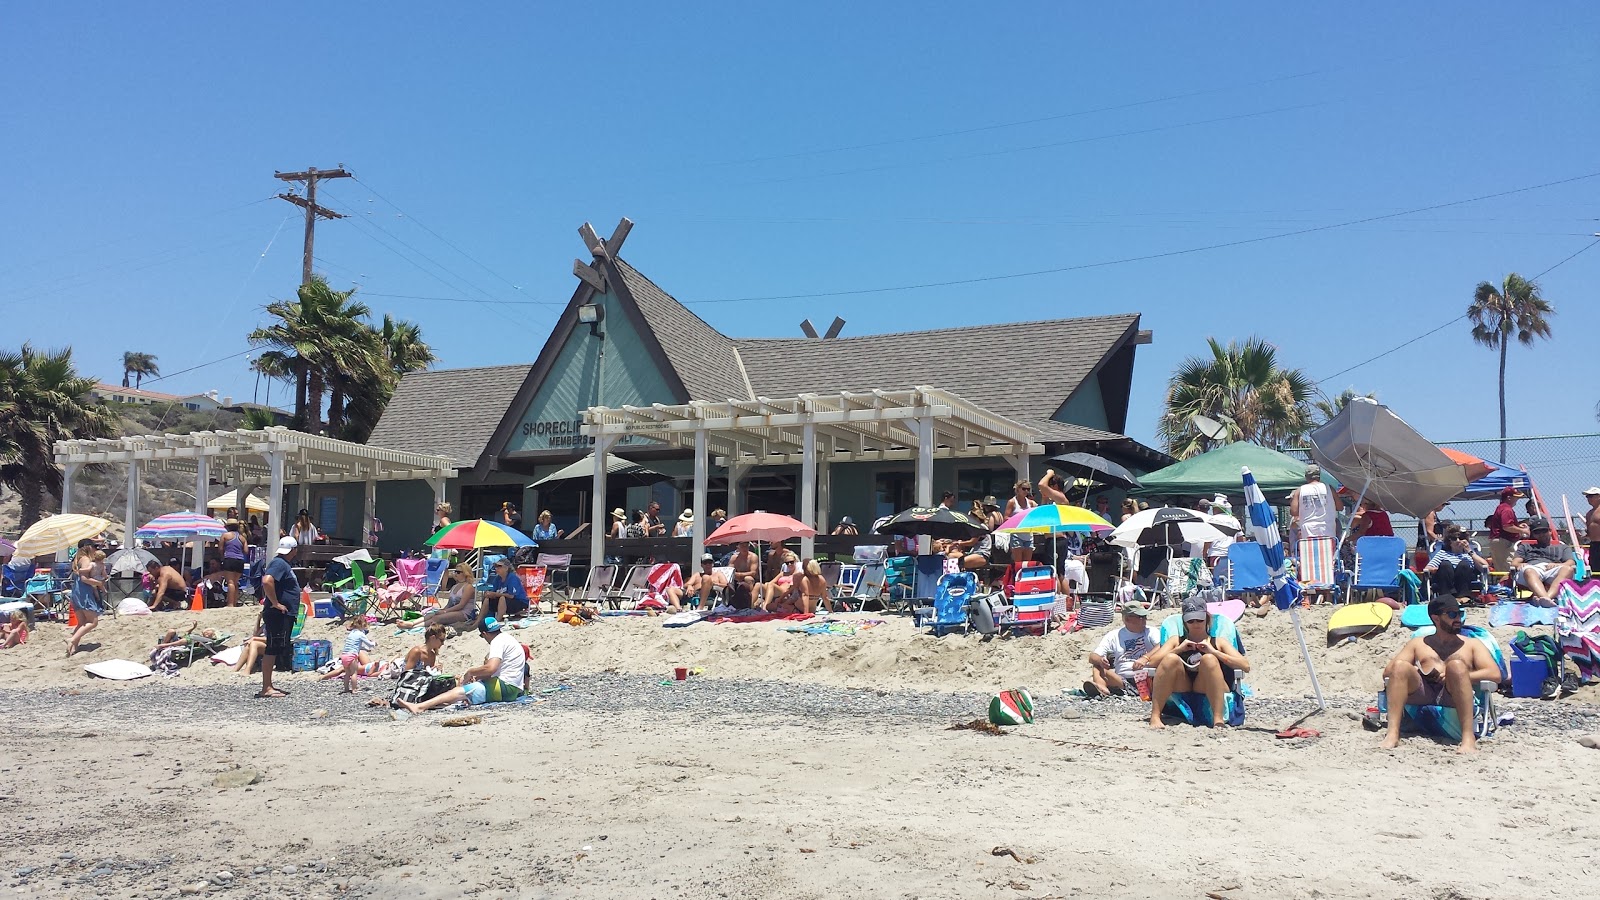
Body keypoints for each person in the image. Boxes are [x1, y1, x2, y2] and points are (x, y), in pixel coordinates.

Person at [1380, 595, 1501, 754]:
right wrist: (1417, 671)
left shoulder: (1472, 644)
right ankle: (1392, 734)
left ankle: (1468, 738)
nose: (1458, 618)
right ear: (1436, 618)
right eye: (1452, 615)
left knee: (1456, 667)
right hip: (1423, 692)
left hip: (1453, 694)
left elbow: (1495, 674)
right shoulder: (1419, 643)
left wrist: (1463, 676)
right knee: (1400, 666)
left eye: (1459, 613)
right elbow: (1388, 671)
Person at [1145, 597, 1249, 729]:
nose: (1196, 624)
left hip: (1211, 684)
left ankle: (1218, 719)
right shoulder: (1177, 640)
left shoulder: (1218, 642)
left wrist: (1214, 652)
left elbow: (1245, 665)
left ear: (1207, 618)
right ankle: (1155, 716)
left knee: (1209, 659)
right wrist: (1178, 650)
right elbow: (1152, 663)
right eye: (1191, 620)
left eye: (1199, 619)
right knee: (1171, 658)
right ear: (1184, 621)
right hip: (1185, 684)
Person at [396, 616, 526, 714]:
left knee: (460, 691)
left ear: (485, 633)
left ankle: (419, 707)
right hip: (514, 687)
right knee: (465, 691)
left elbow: (491, 668)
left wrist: (471, 672)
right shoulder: (509, 639)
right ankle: (430, 703)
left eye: (482, 636)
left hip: (506, 688)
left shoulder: (497, 642)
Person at [1084, 600, 1158, 698]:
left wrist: (1145, 658)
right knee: (1097, 664)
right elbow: (1092, 656)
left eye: (1145, 617)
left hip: (1145, 676)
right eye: (1141, 617)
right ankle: (1101, 689)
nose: (1144, 620)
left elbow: (1162, 646)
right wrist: (1101, 660)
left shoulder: (1151, 631)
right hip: (1122, 679)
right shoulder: (1114, 635)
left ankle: (1105, 690)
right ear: (1127, 619)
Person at [257, 536, 301, 698]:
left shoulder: (282, 563)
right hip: (277, 613)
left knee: (274, 647)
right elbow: (267, 581)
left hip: (281, 613)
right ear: (294, 550)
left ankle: (268, 685)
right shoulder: (279, 563)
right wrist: (275, 603)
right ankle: (266, 687)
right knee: (272, 648)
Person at [1289, 464, 1337, 603]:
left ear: (1306, 477)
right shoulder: (1329, 488)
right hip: (1327, 528)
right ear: (1319, 476)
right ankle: (1327, 594)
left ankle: (1308, 596)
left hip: (1308, 529)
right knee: (1328, 562)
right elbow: (1339, 506)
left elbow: (1293, 512)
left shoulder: (1300, 490)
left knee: (1308, 562)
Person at [1511, 516, 1575, 606]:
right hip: (1532, 568)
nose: (1541, 534)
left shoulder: (1562, 547)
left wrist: (1557, 565)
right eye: (1537, 532)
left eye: (1544, 531)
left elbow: (1570, 562)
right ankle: (1547, 599)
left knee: (1568, 569)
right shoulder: (1525, 546)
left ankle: (1546, 598)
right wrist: (1521, 564)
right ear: (1533, 534)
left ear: (1550, 531)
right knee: (1529, 570)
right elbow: (1515, 563)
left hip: (1553, 569)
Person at [1424, 526, 1490, 601]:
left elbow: (1485, 567)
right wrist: (1433, 569)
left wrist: (1469, 551)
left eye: (1461, 538)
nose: (1458, 540)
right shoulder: (1442, 553)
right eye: (1454, 539)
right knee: (1445, 565)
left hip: (1464, 584)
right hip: (1446, 587)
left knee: (1464, 565)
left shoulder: (1469, 555)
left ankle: (1463, 596)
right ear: (1449, 542)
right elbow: (1427, 568)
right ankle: (1448, 597)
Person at [66, 539, 105, 657]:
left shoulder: (77, 559)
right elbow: (84, 579)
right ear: (88, 547)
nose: (95, 549)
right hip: (84, 591)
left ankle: (73, 648)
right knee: (93, 622)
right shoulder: (86, 559)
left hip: (77, 591)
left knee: (82, 622)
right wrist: (99, 583)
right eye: (94, 547)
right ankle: (72, 640)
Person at [322, 617, 377, 692]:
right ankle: (354, 689)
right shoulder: (360, 634)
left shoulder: (351, 633)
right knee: (354, 673)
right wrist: (374, 643)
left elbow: (356, 645)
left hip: (344, 655)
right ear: (363, 625)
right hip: (352, 656)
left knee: (347, 673)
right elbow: (369, 644)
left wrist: (365, 648)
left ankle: (346, 689)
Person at [418, 563, 478, 631]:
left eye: (458, 572)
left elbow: (461, 605)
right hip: (455, 611)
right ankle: (411, 623)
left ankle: (413, 626)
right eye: (455, 571)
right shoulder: (454, 587)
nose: (455, 573)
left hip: (465, 613)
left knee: (438, 618)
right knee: (432, 614)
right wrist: (442, 610)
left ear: (465, 573)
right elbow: (449, 604)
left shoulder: (468, 587)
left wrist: (445, 611)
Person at [475, 558, 529, 626]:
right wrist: (489, 594)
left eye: (499, 566)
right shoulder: (497, 579)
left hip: (519, 602)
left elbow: (511, 595)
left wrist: (495, 594)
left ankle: (497, 621)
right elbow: (494, 592)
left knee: (502, 598)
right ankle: (478, 621)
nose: (496, 568)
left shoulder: (512, 578)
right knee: (487, 599)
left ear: (506, 568)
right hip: (505, 603)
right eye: (495, 566)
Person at [217, 519, 249, 608]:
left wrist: (222, 557)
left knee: (230, 582)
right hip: (240, 561)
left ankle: (230, 604)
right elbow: (246, 551)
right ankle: (234, 602)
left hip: (229, 559)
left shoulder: (225, 536)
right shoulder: (242, 538)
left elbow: (220, 549)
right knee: (235, 582)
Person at [1005, 480, 1037, 563]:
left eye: (1028, 489)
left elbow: (1036, 516)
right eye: (1024, 489)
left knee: (1027, 564)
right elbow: (1006, 517)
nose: (1026, 491)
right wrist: (1018, 520)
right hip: (1016, 535)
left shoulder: (1031, 503)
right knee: (1018, 564)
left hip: (1029, 536)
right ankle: (1016, 576)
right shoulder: (1012, 502)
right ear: (1018, 489)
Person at [729, 542, 760, 607]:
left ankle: (750, 602)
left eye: (746, 546)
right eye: (742, 546)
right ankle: (728, 602)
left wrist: (739, 574)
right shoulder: (734, 558)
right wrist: (736, 575)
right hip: (737, 579)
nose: (744, 548)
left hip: (750, 579)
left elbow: (753, 573)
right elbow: (730, 571)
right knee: (728, 581)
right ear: (738, 547)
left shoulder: (753, 557)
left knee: (748, 578)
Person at [1585, 487, 1600, 575]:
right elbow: (1590, 531)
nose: (1588, 498)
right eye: (1587, 496)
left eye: (1591, 496)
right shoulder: (1589, 513)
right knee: (1594, 568)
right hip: (1594, 545)